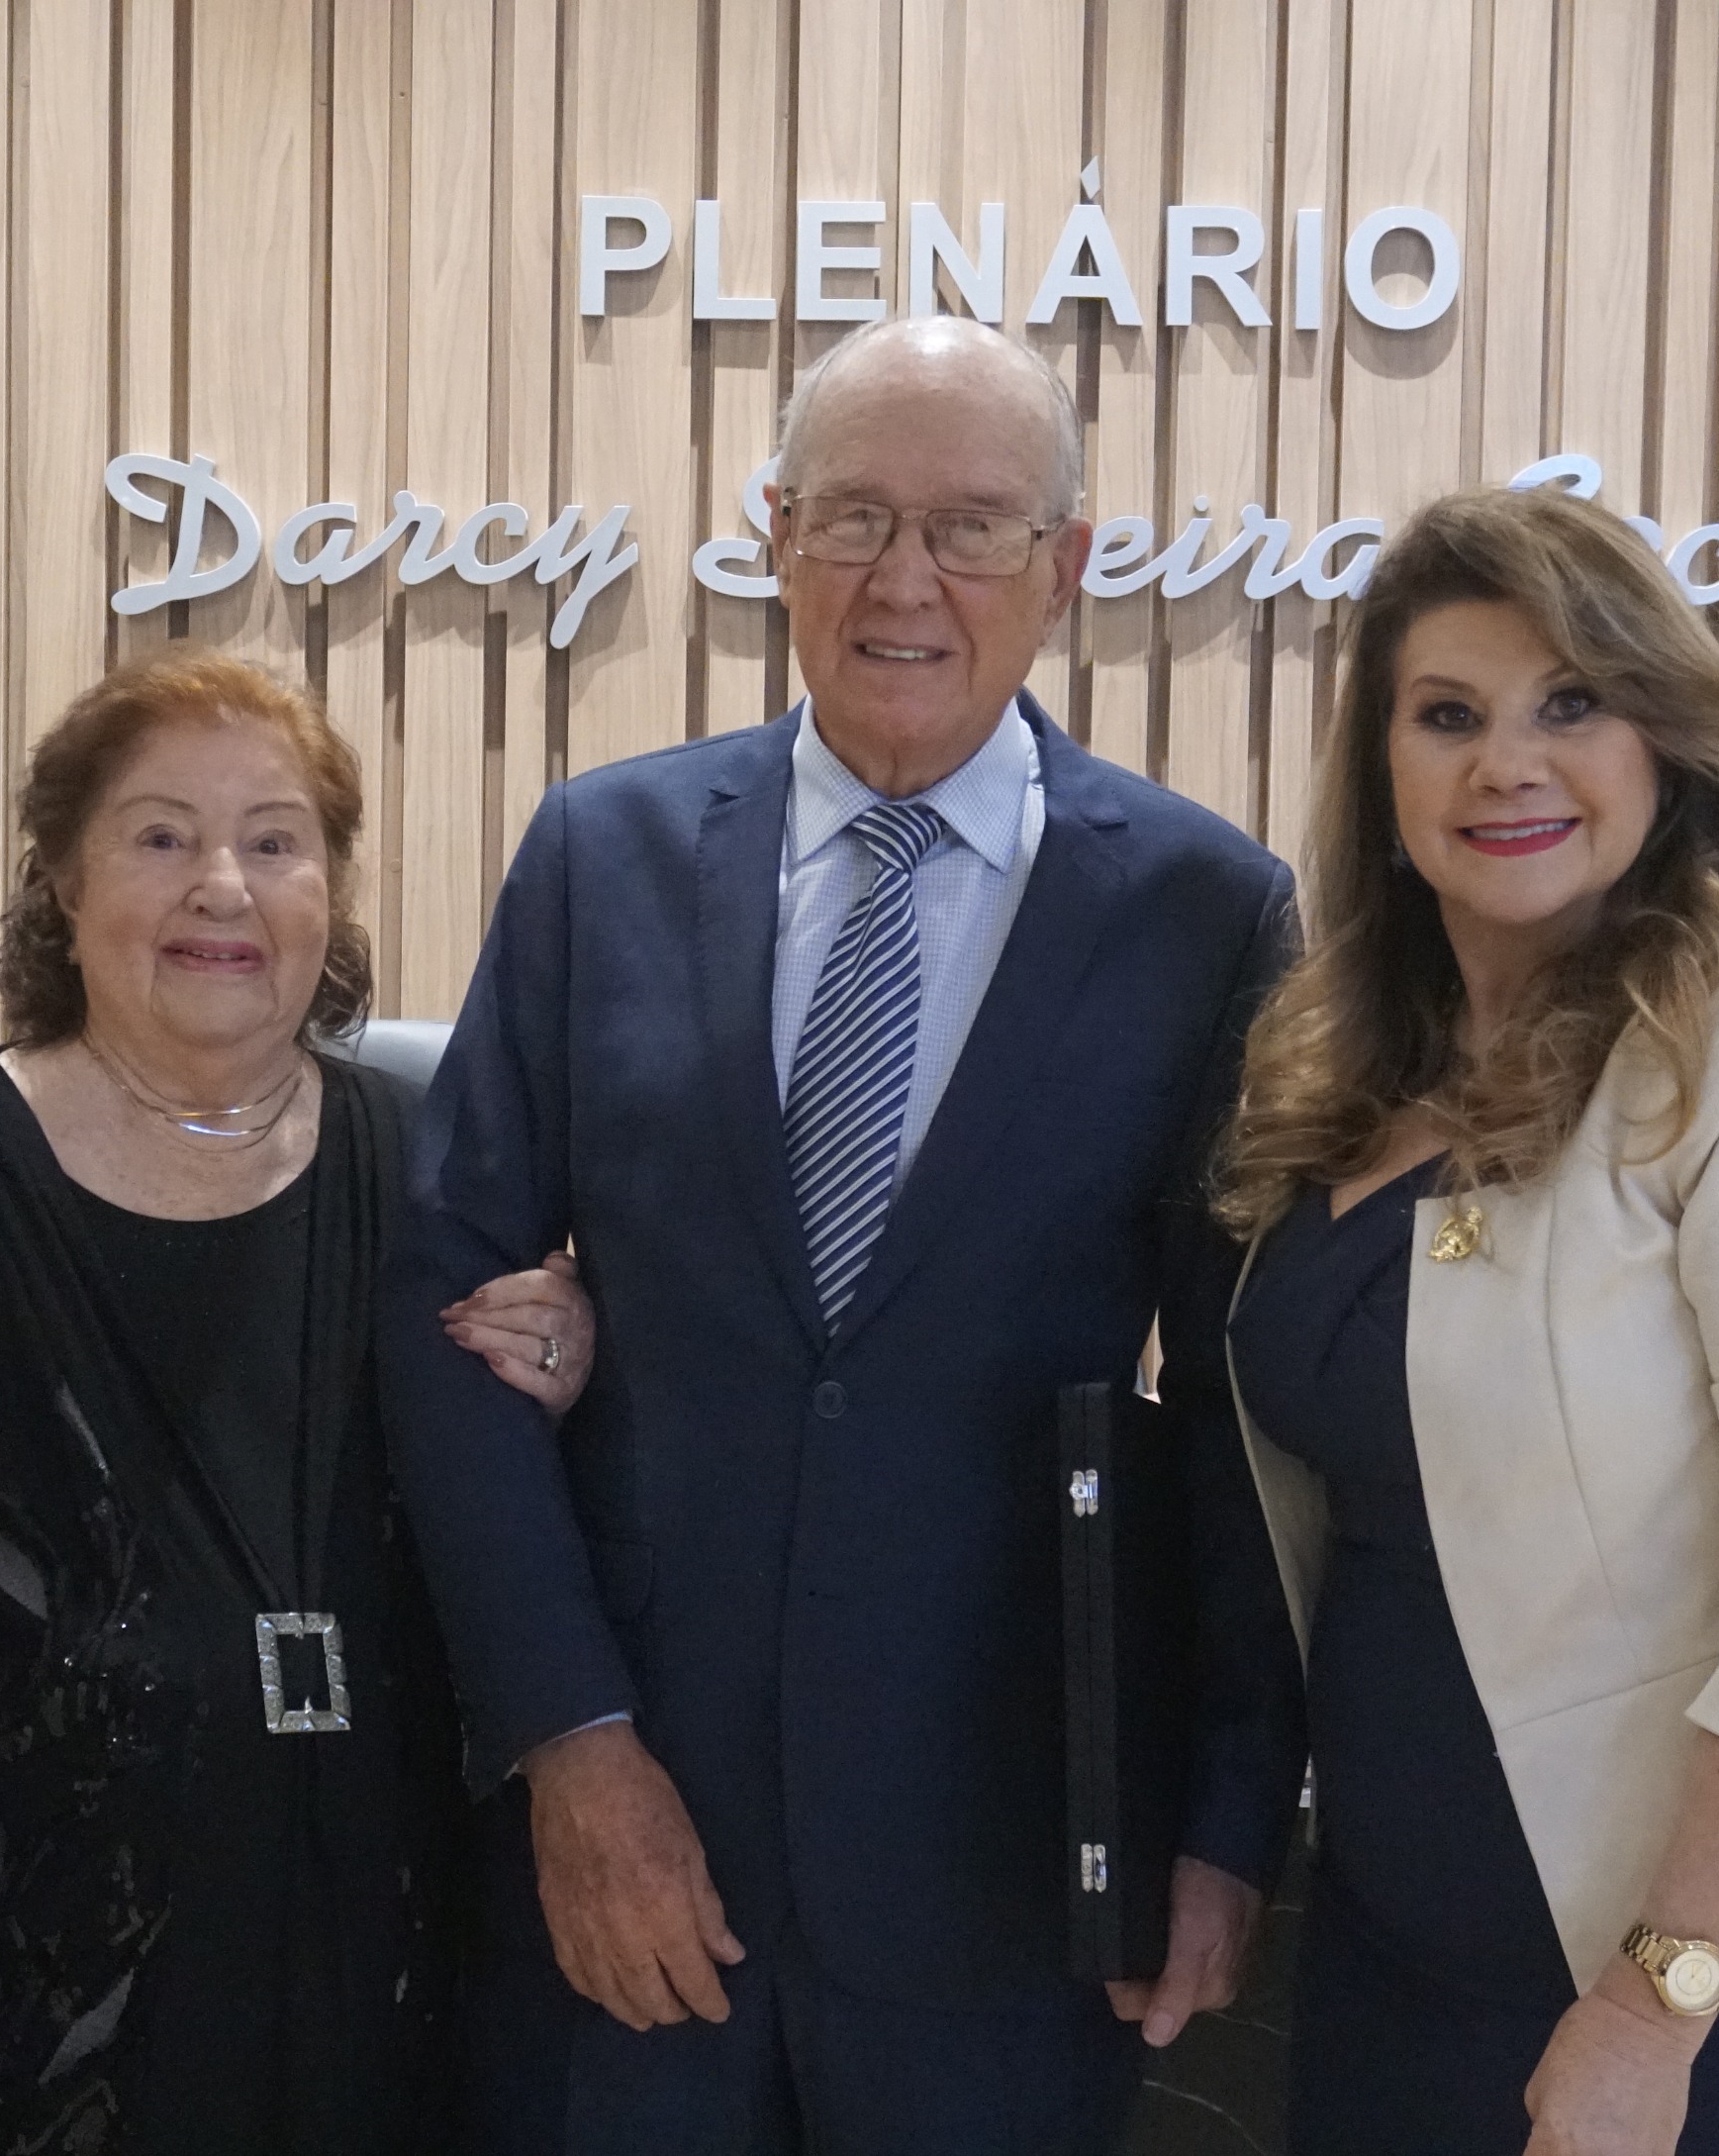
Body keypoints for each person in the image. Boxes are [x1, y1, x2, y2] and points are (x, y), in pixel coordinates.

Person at [384, 315, 1308, 2155]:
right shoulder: (600, 856)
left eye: (971, 527)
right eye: (855, 517)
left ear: (1065, 564)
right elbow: (445, 1296)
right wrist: (571, 1739)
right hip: (638, 1848)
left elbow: (1237, 1403)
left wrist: (1222, 1820)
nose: (905, 579)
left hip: (1014, 1868)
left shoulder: (1204, 910)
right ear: (775, 536)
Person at [1207, 483, 1719, 2154]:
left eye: (1570, 703)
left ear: (1667, 745)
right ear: (1383, 772)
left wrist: (1655, 2002)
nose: (1508, 763)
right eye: (1448, 715)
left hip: (1704, 1972)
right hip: (1396, 1945)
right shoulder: (1342, 1081)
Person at [0, 646, 598, 2153]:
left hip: (380, 1937)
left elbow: (511, 1543)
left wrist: (560, 1393)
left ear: (330, 891)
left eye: (274, 840)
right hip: (21, 1962)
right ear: (61, 880)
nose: (222, 887)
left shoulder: (432, 1162)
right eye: (161, 836)